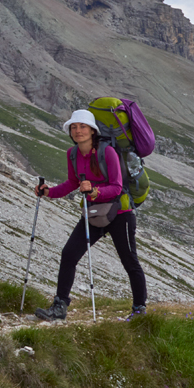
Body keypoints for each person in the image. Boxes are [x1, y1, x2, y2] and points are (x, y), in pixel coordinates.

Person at [34, 109, 147, 321]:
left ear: (92, 130)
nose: (78, 131)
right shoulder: (73, 154)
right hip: (94, 213)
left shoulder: (108, 152)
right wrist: (48, 192)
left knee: (130, 261)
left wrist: (95, 191)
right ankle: (59, 307)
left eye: (82, 127)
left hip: (119, 212)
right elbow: (72, 183)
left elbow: (117, 186)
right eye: (74, 127)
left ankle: (140, 310)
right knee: (69, 254)